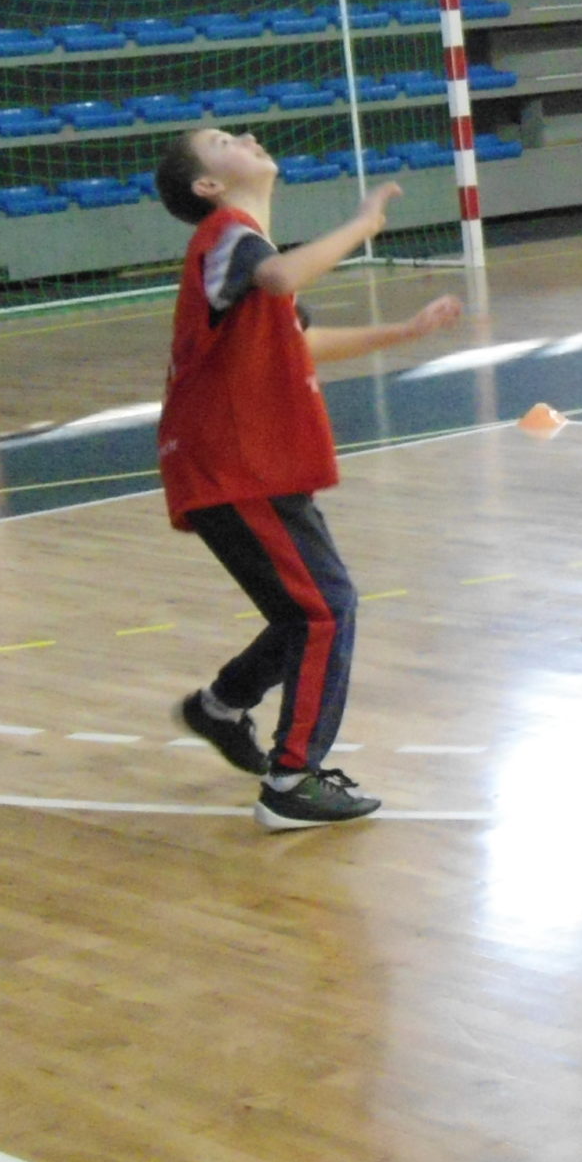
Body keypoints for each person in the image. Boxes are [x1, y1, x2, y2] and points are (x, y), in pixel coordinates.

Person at [155, 129, 463, 831]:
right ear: (209, 185)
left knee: (309, 609)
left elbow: (299, 339)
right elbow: (281, 278)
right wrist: (361, 224)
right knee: (327, 608)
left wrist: (404, 333)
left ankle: (222, 706)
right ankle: (292, 780)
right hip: (233, 462)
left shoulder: (241, 247)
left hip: (243, 460)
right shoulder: (227, 232)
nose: (248, 135)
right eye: (223, 139)